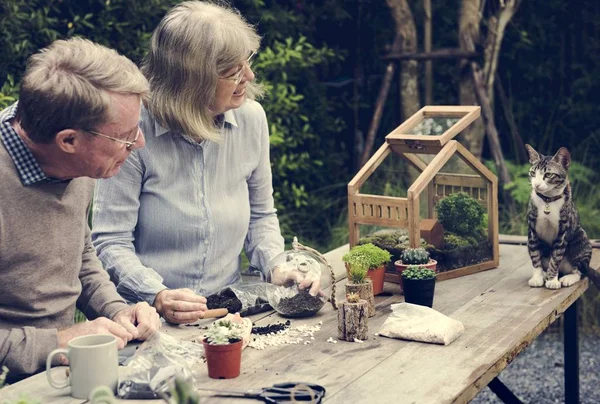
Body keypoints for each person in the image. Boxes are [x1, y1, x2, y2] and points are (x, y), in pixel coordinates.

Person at [92, 1, 318, 325]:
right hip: (147, 320)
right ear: (191, 81)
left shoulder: (252, 119)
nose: (249, 76)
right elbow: (110, 241)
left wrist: (276, 265)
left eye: (247, 63)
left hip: (228, 312)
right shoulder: (133, 129)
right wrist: (157, 294)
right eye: (233, 72)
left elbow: (261, 215)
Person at [0, 38, 161, 381]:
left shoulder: (76, 161)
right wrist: (58, 341)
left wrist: (117, 310)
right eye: (125, 136)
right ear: (69, 141)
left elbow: (79, 253)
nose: (140, 144)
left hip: (59, 370)